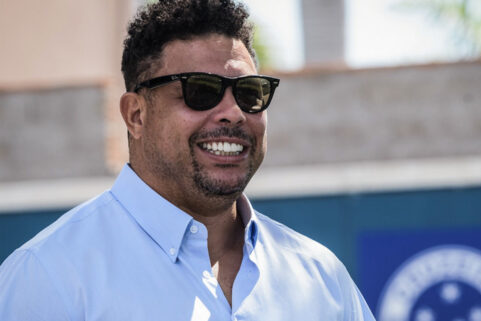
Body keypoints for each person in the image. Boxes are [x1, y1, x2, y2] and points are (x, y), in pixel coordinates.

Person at [0, 0, 375, 320]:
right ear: (136, 115)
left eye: (249, 92)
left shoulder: (321, 279)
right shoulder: (48, 277)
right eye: (200, 91)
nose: (233, 113)